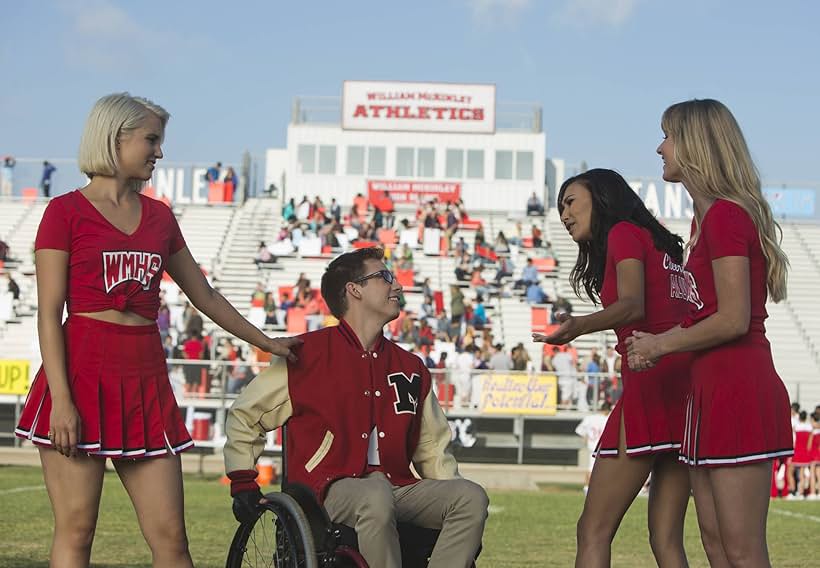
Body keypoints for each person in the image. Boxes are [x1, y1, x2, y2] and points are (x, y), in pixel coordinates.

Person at [13, 93, 300, 567]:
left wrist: (267, 342)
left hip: (144, 383)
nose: (159, 152)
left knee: (171, 539)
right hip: (80, 382)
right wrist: (61, 401)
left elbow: (204, 296)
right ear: (115, 137)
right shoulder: (64, 213)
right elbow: (49, 313)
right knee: (77, 531)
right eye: (151, 139)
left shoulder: (160, 217)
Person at [224, 247, 488, 568]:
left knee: (470, 497)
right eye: (385, 277)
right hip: (327, 489)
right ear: (355, 289)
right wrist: (243, 480)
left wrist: (454, 512)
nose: (398, 286)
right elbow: (245, 415)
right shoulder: (305, 354)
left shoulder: (411, 367)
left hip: (396, 487)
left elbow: (433, 449)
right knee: (375, 494)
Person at [627, 99, 793, 567]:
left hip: (736, 387)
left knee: (740, 549)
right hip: (709, 391)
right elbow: (710, 314)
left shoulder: (725, 216)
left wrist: (660, 344)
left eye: (669, 136)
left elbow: (734, 318)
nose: (660, 148)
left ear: (696, 144)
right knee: (717, 544)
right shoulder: (705, 222)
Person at [533, 168, 695, 567]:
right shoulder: (661, 245)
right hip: (685, 391)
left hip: (651, 387)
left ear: (601, 195)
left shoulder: (622, 231)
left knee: (593, 530)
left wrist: (577, 326)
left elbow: (633, 305)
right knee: (667, 538)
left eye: (570, 201)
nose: (564, 214)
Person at [575, 402, 611, 494]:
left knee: (591, 468)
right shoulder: (608, 419)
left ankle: (587, 488)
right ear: (608, 410)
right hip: (603, 448)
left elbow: (580, 431)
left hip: (592, 447)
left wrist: (586, 439)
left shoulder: (590, 418)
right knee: (604, 469)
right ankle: (590, 488)